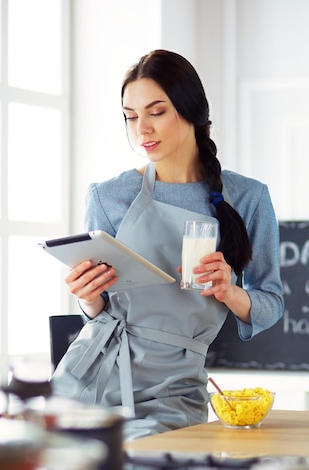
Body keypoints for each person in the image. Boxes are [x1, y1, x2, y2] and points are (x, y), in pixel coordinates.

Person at [51, 49, 284, 440]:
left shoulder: (248, 197)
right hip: (89, 381)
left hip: (175, 391)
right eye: (131, 116)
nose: (141, 129)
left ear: (190, 108)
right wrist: (88, 297)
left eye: (155, 112)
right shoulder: (108, 196)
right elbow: (99, 312)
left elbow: (270, 302)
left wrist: (229, 292)